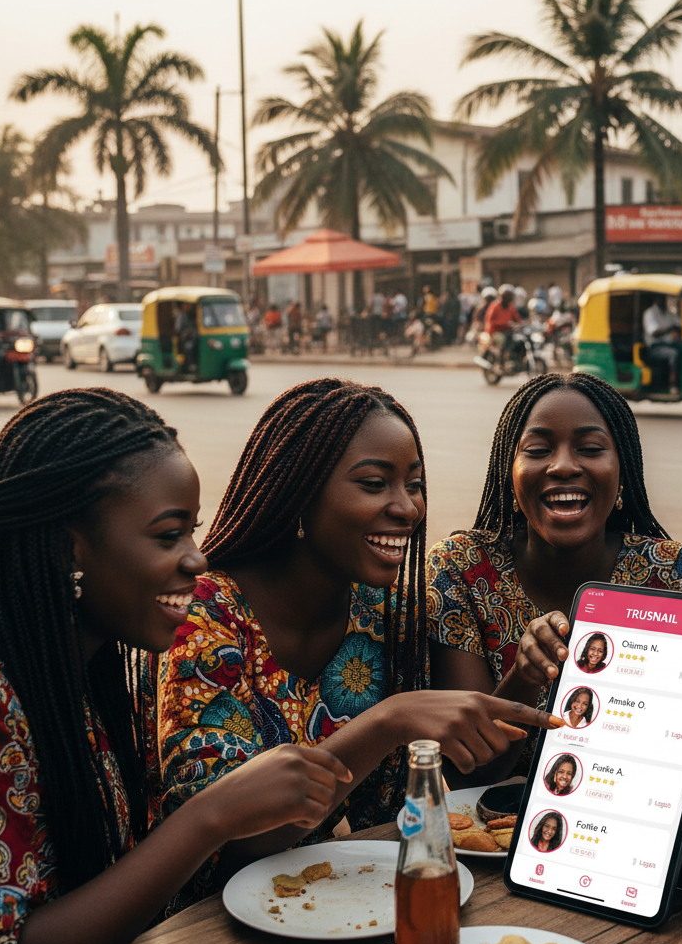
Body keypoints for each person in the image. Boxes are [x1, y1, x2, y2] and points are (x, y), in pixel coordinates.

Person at [0, 389, 349, 944]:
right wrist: (212, 816)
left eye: (193, 529)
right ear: (66, 549)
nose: (197, 558)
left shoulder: (85, 675)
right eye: (168, 536)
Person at [157, 379, 558, 901]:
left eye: (413, 484)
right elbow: (230, 844)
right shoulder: (204, 617)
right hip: (203, 933)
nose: (408, 508)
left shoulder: (385, 613)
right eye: (374, 483)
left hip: (327, 903)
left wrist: (524, 677)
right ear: (298, 495)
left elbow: (434, 793)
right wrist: (389, 720)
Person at [427, 372, 682, 784]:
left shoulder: (669, 574)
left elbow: (674, 760)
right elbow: (467, 772)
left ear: (623, 469)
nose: (562, 466)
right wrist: (523, 676)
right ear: (510, 471)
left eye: (590, 449)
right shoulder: (462, 571)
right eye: (538, 450)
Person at [642, 294, 682, 392]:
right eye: (661, 298)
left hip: (669, 344)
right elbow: (654, 333)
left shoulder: (669, 313)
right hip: (654, 347)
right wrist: (670, 329)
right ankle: (673, 384)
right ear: (656, 299)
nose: (663, 301)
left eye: (664, 299)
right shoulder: (650, 313)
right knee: (673, 354)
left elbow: (679, 323)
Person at [483, 284, 522, 362]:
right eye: (507, 296)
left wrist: (524, 323)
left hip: (508, 331)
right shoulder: (495, 306)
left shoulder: (510, 306)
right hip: (496, 332)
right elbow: (490, 321)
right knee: (502, 340)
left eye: (510, 296)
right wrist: (505, 323)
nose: (509, 298)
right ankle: (500, 361)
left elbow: (517, 319)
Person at [174, 302, 198, 373]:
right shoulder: (181, 317)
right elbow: (178, 329)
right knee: (189, 347)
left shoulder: (191, 316)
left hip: (193, 338)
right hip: (185, 339)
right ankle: (190, 365)